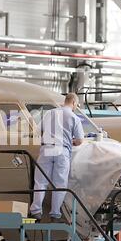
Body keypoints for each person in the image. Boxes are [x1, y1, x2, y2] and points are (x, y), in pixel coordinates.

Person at [29, 93, 85, 223]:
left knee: (40, 181)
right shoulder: (74, 117)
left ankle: (36, 211)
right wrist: (71, 141)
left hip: (46, 148)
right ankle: (55, 214)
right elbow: (80, 140)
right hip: (62, 150)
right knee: (59, 183)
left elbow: (38, 131)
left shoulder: (50, 113)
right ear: (74, 103)